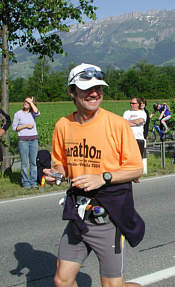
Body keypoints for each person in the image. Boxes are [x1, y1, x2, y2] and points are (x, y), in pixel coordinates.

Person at [43, 63, 144, 287]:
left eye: (98, 87)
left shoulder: (117, 125)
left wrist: (103, 177)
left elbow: (136, 168)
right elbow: (62, 166)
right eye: (87, 88)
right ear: (72, 91)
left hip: (109, 217)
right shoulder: (63, 126)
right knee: (62, 280)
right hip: (78, 215)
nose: (94, 93)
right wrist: (56, 175)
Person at [12, 97, 40, 189]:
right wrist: (25, 126)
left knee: (33, 163)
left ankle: (33, 182)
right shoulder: (18, 114)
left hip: (34, 140)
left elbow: (37, 112)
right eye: (25, 102)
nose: (25, 103)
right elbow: (14, 128)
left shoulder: (33, 113)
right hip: (23, 141)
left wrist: (31, 102)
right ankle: (25, 183)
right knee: (24, 163)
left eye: (27, 103)